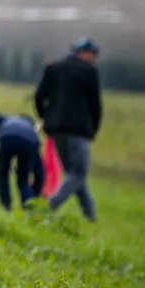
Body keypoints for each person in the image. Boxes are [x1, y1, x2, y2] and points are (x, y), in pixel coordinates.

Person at [34, 37, 102, 221]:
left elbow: (39, 96)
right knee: (78, 172)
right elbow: (95, 105)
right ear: (84, 52)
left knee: (74, 173)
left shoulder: (53, 67)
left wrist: (44, 117)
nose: (93, 58)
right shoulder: (88, 71)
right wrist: (93, 129)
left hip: (55, 129)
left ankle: (90, 215)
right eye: (92, 54)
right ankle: (49, 206)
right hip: (78, 130)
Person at [0, 93, 45, 211]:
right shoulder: (31, 131)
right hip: (30, 143)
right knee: (23, 179)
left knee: (3, 173)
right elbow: (40, 173)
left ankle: (6, 206)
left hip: (7, 137)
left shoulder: (5, 119)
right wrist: (36, 193)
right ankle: (29, 209)